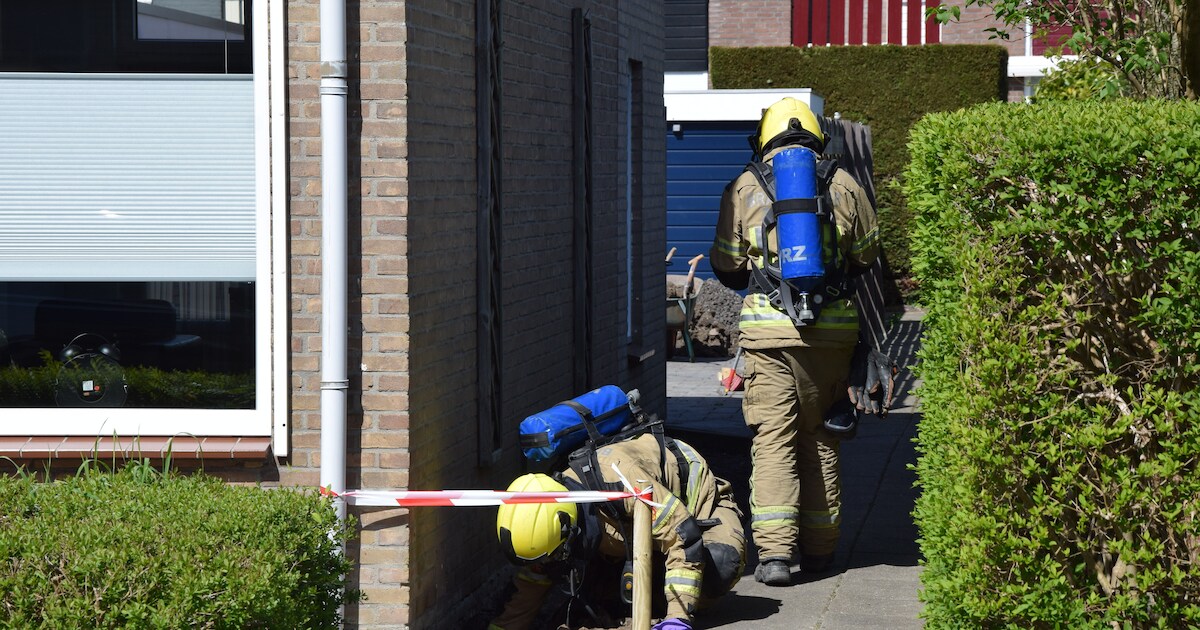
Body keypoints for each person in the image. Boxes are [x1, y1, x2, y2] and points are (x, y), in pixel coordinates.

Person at [708, 97, 882, 586]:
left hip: (768, 337)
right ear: (818, 138)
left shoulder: (744, 186)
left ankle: (775, 557)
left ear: (763, 139)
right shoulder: (845, 183)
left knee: (773, 441)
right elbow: (867, 255)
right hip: (832, 336)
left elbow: (726, 264)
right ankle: (821, 552)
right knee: (821, 438)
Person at [488, 432, 746, 630]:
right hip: (635, 537)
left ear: (568, 527)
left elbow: (683, 538)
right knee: (604, 599)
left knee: (721, 565)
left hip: (698, 508)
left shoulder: (624, 482)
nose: (547, 563)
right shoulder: (552, 516)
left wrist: (677, 618)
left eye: (551, 556)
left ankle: (665, 603)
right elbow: (533, 579)